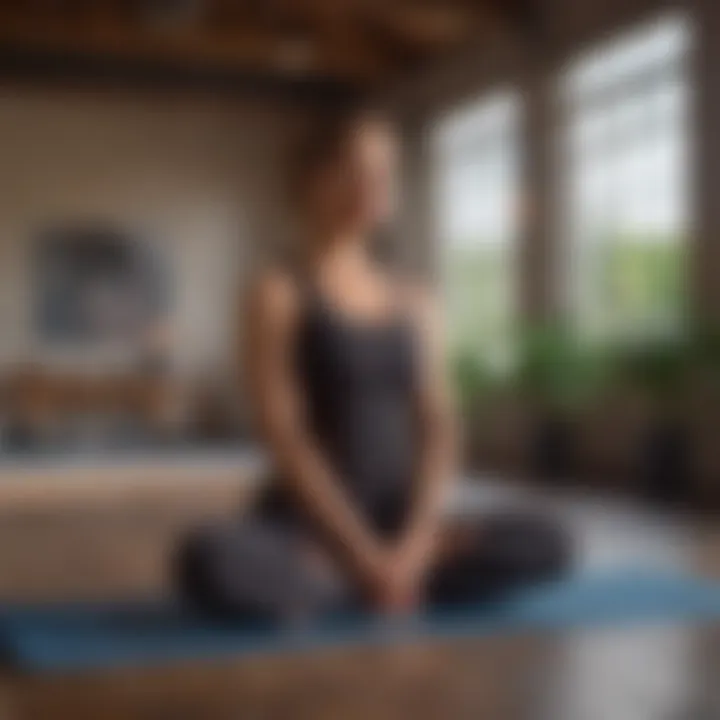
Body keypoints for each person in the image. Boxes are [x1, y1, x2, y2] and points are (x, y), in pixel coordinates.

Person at [175, 103, 571, 623]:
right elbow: (284, 437)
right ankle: (353, 573)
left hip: (403, 520)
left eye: (387, 171)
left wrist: (417, 541)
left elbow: (440, 425)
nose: (377, 186)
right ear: (312, 179)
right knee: (208, 559)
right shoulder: (277, 292)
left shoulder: (415, 298)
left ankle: (384, 574)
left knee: (550, 538)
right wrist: (359, 552)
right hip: (307, 525)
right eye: (357, 171)